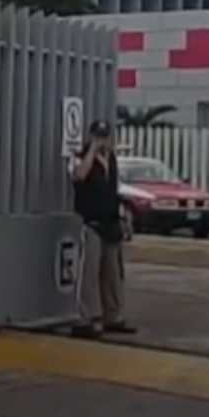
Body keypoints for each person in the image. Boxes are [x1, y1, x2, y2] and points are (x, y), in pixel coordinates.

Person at [70, 120, 133, 338]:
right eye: (98, 137)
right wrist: (92, 151)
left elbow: (115, 189)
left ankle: (113, 316)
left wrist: (123, 216)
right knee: (89, 273)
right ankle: (86, 318)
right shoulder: (81, 157)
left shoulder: (112, 160)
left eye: (105, 137)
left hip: (111, 222)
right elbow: (79, 176)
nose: (102, 141)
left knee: (113, 273)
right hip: (92, 222)